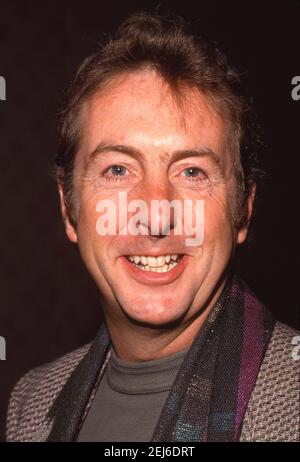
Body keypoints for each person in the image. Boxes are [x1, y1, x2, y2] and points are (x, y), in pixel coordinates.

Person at [6, 13, 299, 442]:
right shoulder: (30, 403)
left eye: (193, 172)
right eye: (119, 169)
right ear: (69, 208)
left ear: (243, 210)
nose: (156, 214)